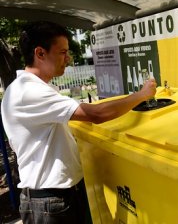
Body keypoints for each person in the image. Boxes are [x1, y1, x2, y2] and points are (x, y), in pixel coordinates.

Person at [0, 21, 157, 224]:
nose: (68, 58)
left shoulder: (34, 89)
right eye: (63, 52)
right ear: (40, 53)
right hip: (50, 203)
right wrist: (142, 95)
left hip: (59, 197)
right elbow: (96, 114)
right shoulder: (28, 92)